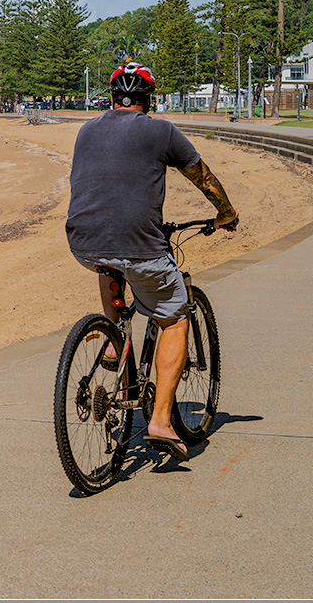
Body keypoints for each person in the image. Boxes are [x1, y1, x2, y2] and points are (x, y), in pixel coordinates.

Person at [65, 62, 238, 461]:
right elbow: (204, 178)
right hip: (140, 246)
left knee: (109, 262)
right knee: (175, 317)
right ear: (149, 101)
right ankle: (160, 420)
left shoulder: (86, 130)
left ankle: (112, 339)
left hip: (82, 242)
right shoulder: (161, 131)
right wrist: (226, 213)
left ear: (110, 100)